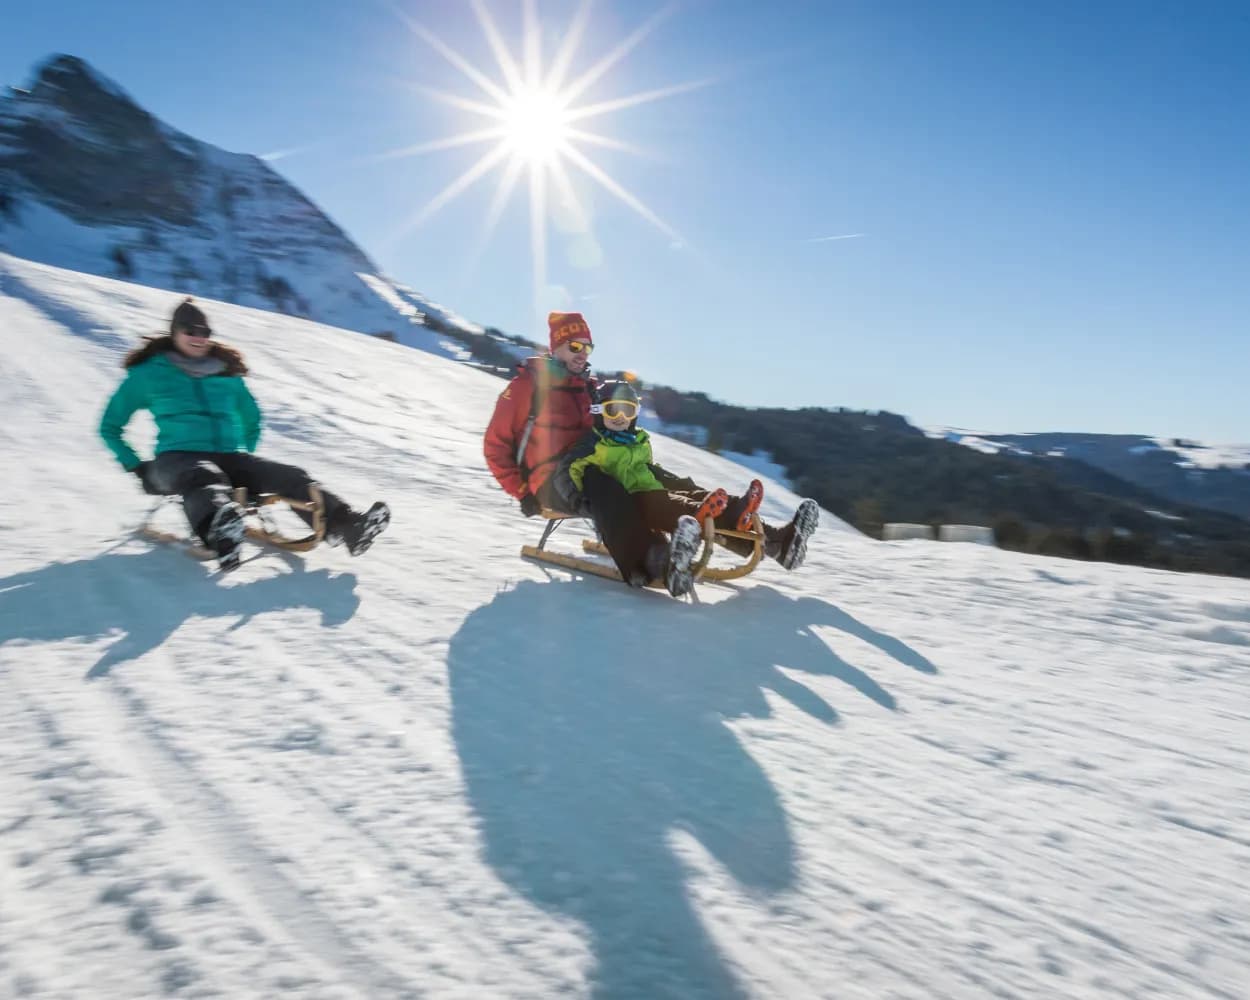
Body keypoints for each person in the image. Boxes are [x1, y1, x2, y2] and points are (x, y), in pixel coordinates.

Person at [99, 298, 390, 570]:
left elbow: (251, 416)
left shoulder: (225, 374)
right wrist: (136, 467)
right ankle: (221, 533)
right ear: (175, 332)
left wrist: (246, 463)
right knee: (203, 475)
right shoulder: (149, 374)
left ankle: (346, 526)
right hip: (174, 461)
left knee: (290, 476)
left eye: (205, 331)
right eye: (190, 330)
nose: (199, 337)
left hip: (228, 457)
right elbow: (110, 426)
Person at [485, 313, 700, 593]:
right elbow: (495, 444)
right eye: (575, 346)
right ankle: (653, 560)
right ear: (556, 347)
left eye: (588, 347)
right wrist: (521, 491)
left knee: (647, 476)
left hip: (588, 464)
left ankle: (713, 527)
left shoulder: (586, 387)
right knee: (602, 483)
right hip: (549, 481)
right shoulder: (528, 385)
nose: (583, 354)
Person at [556, 379, 819, 584]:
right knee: (670, 502)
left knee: (686, 489)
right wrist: (583, 503)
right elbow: (565, 475)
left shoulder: (636, 442)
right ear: (599, 412)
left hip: (647, 489)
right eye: (614, 411)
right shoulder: (591, 445)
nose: (621, 418)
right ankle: (695, 524)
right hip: (629, 502)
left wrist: (674, 481)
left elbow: (648, 472)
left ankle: (776, 540)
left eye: (629, 410)